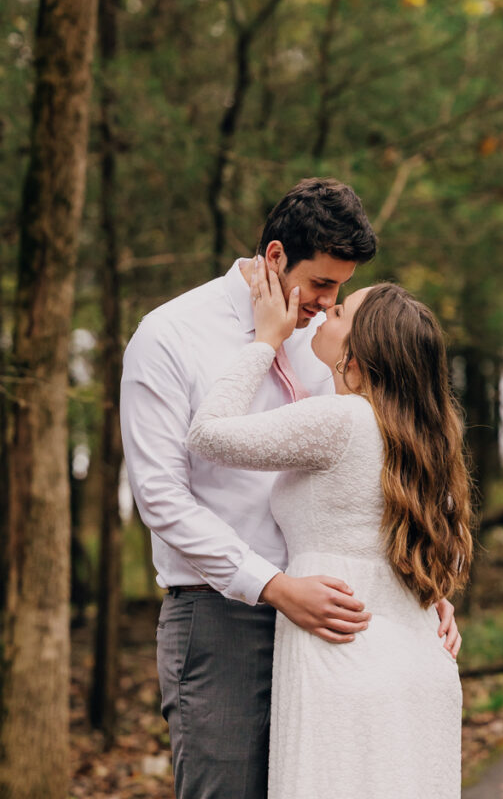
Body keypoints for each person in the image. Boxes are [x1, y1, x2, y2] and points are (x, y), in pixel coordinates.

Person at [120, 178, 461, 799]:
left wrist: (415, 587)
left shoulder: (334, 340)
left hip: (339, 627)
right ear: (275, 256)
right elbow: (161, 500)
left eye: (341, 289)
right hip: (225, 614)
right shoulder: (169, 335)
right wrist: (275, 586)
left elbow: (377, 471)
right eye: (322, 284)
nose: (328, 304)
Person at [187, 260, 472, 799]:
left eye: (339, 312)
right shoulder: (428, 437)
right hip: (421, 664)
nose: (324, 313)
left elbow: (209, 435)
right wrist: (431, 598)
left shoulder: (340, 419)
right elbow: (431, 546)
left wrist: (265, 341)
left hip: (344, 655)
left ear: (356, 357)